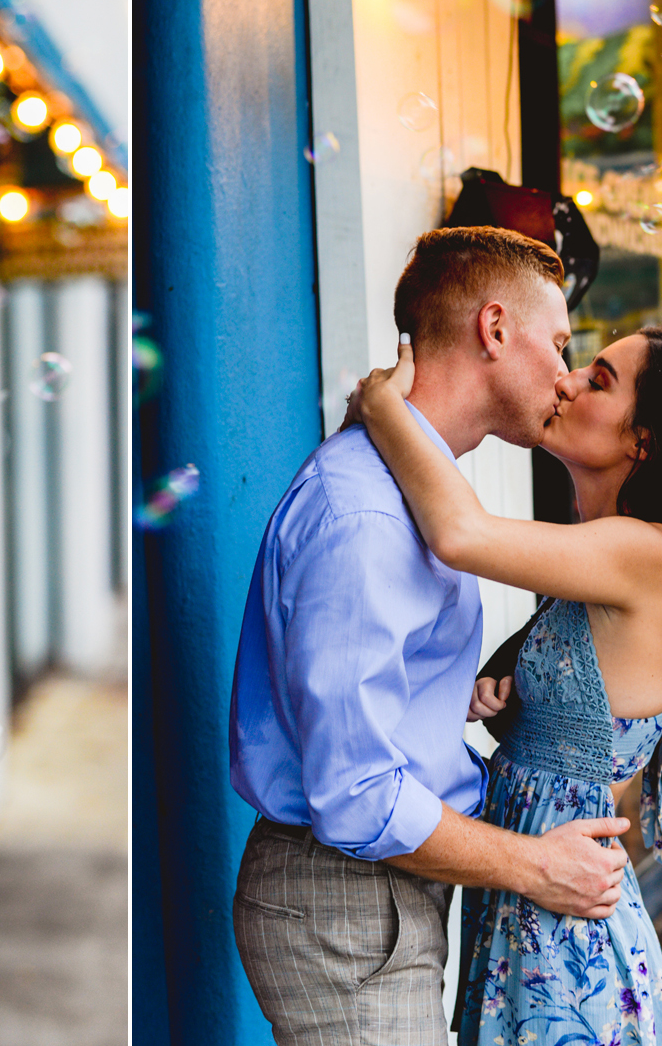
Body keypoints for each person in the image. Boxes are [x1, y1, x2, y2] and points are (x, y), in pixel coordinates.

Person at [230, 227, 633, 1046]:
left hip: (379, 894)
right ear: (493, 328)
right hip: (344, 899)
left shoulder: (415, 492)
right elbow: (356, 794)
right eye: (558, 343)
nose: (564, 374)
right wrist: (535, 864)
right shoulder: (366, 516)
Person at [348, 323, 662, 1044]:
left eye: (598, 379)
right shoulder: (600, 559)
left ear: (641, 441)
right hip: (529, 908)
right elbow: (583, 741)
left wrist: (382, 405)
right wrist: (505, 704)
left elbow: (458, 532)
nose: (567, 380)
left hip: (564, 942)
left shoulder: (649, 552)